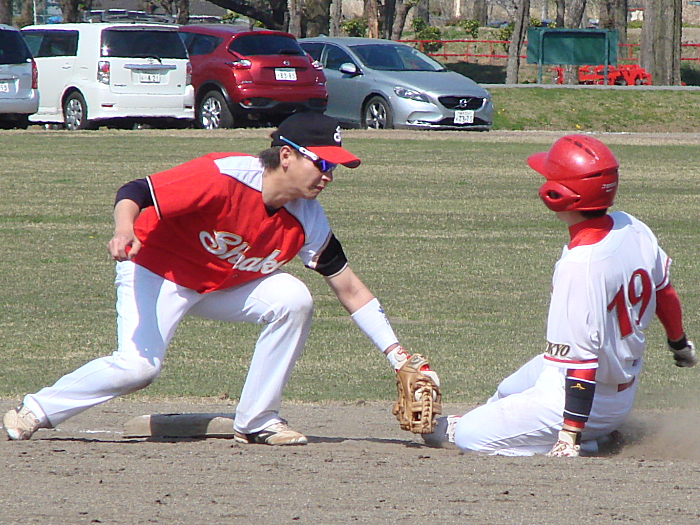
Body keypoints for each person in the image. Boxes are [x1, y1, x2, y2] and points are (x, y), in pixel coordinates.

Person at [3, 112, 437, 446]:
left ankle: (257, 419)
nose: (328, 175)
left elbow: (349, 287)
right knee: (138, 367)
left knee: (293, 298)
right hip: (155, 269)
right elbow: (136, 191)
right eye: (321, 162)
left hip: (217, 285)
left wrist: (398, 356)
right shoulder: (224, 175)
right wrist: (124, 228)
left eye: (334, 167)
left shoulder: (309, 219)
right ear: (286, 155)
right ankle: (36, 409)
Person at [423, 134, 697, 456]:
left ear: (556, 195)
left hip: (587, 400)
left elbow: (582, 361)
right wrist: (679, 344)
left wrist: (570, 434)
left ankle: (592, 441)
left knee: (470, 438)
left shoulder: (579, 266)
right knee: (508, 390)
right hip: (615, 387)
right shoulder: (632, 226)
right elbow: (665, 292)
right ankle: (489, 422)